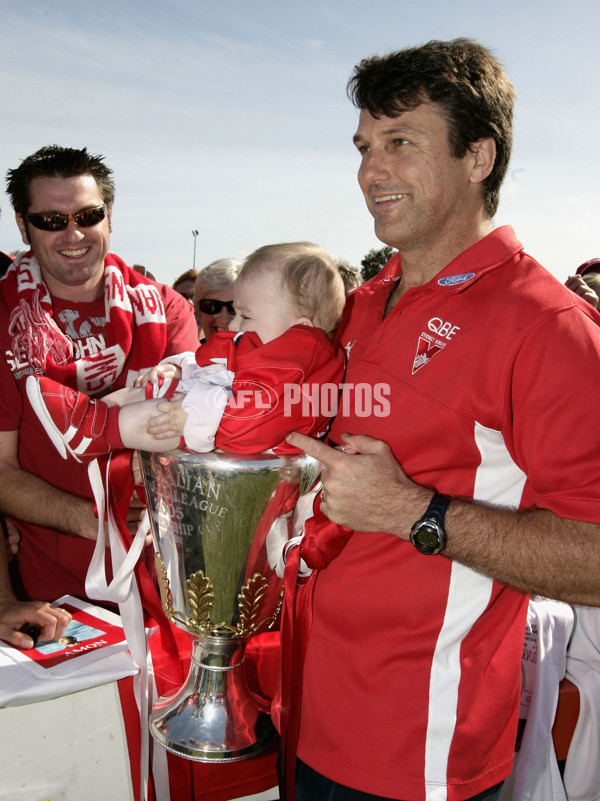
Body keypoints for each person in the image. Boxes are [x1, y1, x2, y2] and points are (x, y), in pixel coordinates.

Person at [280, 39, 600, 801]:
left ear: (478, 156)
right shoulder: (360, 302)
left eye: (400, 143)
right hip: (311, 707)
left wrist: (413, 511)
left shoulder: (548, 326)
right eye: (363, 147)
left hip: (418, 753)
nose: (369, 171)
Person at [0, 144, 198, 607]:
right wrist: (93, 518)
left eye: (87, 215)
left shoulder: (166, 308)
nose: (73, 234)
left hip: (166, 578)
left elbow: (192, 435)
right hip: (53, 599)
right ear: (23, 225)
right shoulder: (3, 315)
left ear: (109, 216)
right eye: (51, 220)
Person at [26, 242, 346, 461]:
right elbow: (220, 370)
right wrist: (180, 368)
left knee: (164, 412)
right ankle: (86, 415)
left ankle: (95, 432)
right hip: (225, 449)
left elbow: (248, 422)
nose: (232, 325)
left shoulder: (301, 363)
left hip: (256, 470)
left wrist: (190, 411)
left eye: (245, 316)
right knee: (155, 390)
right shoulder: (279, 353)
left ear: (300, 329)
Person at [193, 257, 242, 339]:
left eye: (233, 308)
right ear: (198, 311)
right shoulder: (188, 351)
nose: (224, 320)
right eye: (211, 306)